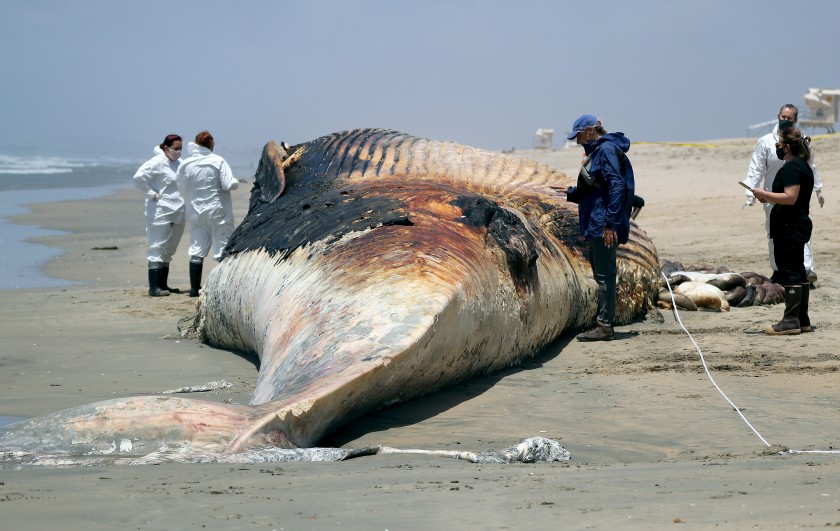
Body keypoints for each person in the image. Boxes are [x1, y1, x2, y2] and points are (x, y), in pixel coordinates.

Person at [563, 115, 635, 341]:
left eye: (579, 136)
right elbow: (597, 186)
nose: (577, 142)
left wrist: (610, 224)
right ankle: (603, 322)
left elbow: (616, 186)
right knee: (602, 273)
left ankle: (605, 326)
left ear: (589, 131)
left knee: (605, 275)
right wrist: (570, 193)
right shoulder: (601, 151)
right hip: (597, 221)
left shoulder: (605, 151)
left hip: (602, 224)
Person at [743, 104, 824, 284]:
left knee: (796, 237)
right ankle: (778, 270)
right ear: (778, 116)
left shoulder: (800, 143)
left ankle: (806, 269)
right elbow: (756, 168)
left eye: (789, 118)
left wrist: (818, 188)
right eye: (783, 117)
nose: (785, 120)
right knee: (774, 234)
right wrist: (750, 192)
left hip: (791, 197)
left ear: (795, 120)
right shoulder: (765, 141)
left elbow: (812, 166)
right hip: (770, 196)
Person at [749, 127, 814, 335]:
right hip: (796, 224)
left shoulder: (792, 167)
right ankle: (802, 319)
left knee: (790, 272)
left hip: (790, 226)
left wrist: (765, 194)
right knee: (799, 270)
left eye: (779, 144)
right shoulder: (802, 165)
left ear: (787, 147)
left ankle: (790, 321)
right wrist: (767, 196)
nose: (777, 148)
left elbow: (790, 197)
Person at [177, 130, 240, 297]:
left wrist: (192, 202)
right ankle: (222, 288)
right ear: (211, 144)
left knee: (197, 248)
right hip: (218, 210)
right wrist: (236, 182)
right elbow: (228, 184)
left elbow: (182, 188)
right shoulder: (218, 161)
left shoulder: (186, 164)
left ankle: (194, 289)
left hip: (197, 212)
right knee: (222, 247)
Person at [132, 134, 186, 297]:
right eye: (176, 149)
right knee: (158, 246)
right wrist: (151, 194)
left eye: (180, 149)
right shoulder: (156, 163)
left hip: (178, 209)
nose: (178, 152)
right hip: (160, 210)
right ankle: (154, 287)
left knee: (170, 247)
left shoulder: (179, 164)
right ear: (166, 147)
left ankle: (163, 284)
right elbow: (139, 178)